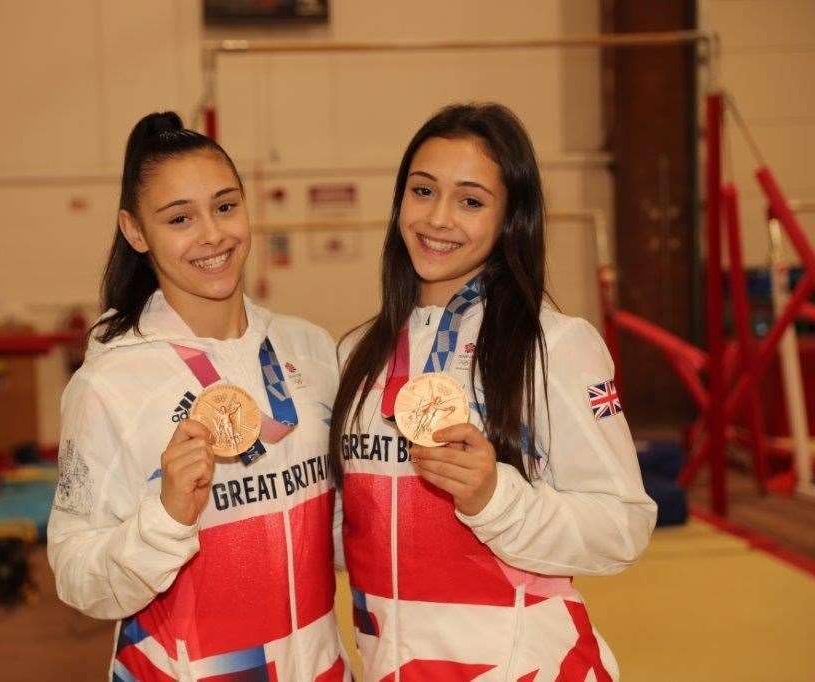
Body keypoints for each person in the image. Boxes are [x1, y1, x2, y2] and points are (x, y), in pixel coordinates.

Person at [329, 103, 656, 681]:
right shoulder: (356, 353)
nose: (438, 218)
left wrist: (494, 498)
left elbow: (622, 527)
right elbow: (350, 536)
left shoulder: (553, 346)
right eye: (422, 190)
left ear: (511, 219)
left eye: (471, 201)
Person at [48, 111, 348, 681]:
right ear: (136, 232)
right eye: (180, 218)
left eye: (226, 206)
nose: (213, 234)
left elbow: (330, 534)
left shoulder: (309, 349)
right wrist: (165, 519)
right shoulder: (110, 385)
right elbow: (76, 576)